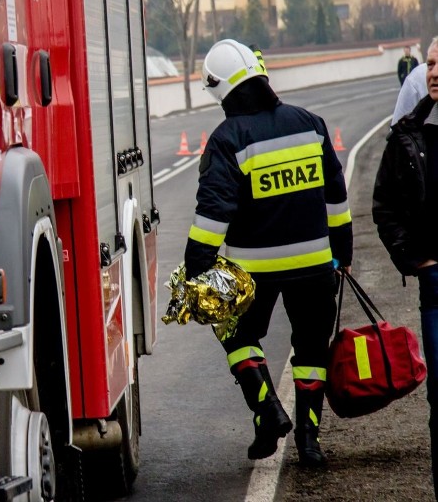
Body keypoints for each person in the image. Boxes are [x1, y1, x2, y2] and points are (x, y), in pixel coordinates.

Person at [184, 39, 353, 467]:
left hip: (252, 270)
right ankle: (309, 443)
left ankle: (267, 409)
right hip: (316, 265)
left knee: (231, 327)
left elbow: (213, 213)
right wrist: (342, 254)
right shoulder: (310, 124)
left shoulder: (228, 138)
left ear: (221, 89)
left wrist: (196, 269)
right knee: (312, 351)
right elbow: (337, 198)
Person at [373, 35, 438, 500]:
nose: (433, 71)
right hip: (436, 283)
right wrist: (414, 259)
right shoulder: (408, 137)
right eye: (430, 63)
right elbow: (385, 206)